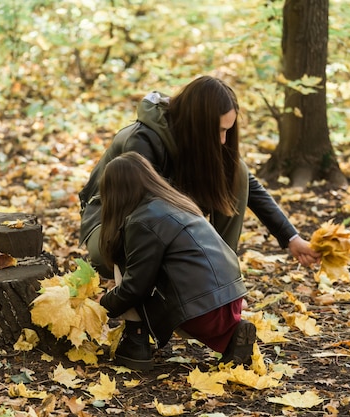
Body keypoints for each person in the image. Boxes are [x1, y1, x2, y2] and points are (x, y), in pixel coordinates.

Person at [79, 75, 321, 279]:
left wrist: (292, 238)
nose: (223, 140)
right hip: (111, 228)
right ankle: (187, 286)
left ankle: (223, 276)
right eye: (219, 131)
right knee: (151, 230)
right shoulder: (142, 140)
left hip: (165, 223)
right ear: (196, 122)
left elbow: (251, 189)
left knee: (236, 171)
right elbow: (143, 213)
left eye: (228, 130)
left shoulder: (198, 137)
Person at [97, 152, 255, 371]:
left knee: (124, 261)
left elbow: (135, 287)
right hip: (230, 299)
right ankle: (232, 334)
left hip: (202, 311)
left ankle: (136, 342)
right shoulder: (177, 203)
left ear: (114, 193)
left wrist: (101, 306)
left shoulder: (141, 221)